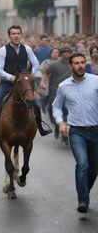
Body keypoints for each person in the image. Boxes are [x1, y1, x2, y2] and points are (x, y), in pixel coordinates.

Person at [0, 25, 52, 136]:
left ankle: (40, 125)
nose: (16, 36)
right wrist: (11, 77)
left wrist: (30, 76)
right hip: (7, 84)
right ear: (9, 36)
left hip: (24, 85)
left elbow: (36, 64)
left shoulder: (27, 49)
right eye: (13, 34)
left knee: (36, 105)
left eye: (18, 33)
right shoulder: (2, 51)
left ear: (21, 35)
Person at [52, 52, 98, 213]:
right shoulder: (64, 86)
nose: (80, 65)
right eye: (76, 63)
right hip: (77, 131)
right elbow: (56, 106)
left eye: (82, 62)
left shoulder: (95, 81)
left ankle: (84, 188)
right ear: (71, 66)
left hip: (96, 130)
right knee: (82, 163)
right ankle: (83, 200)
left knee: (94, 170)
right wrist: (61, 123)